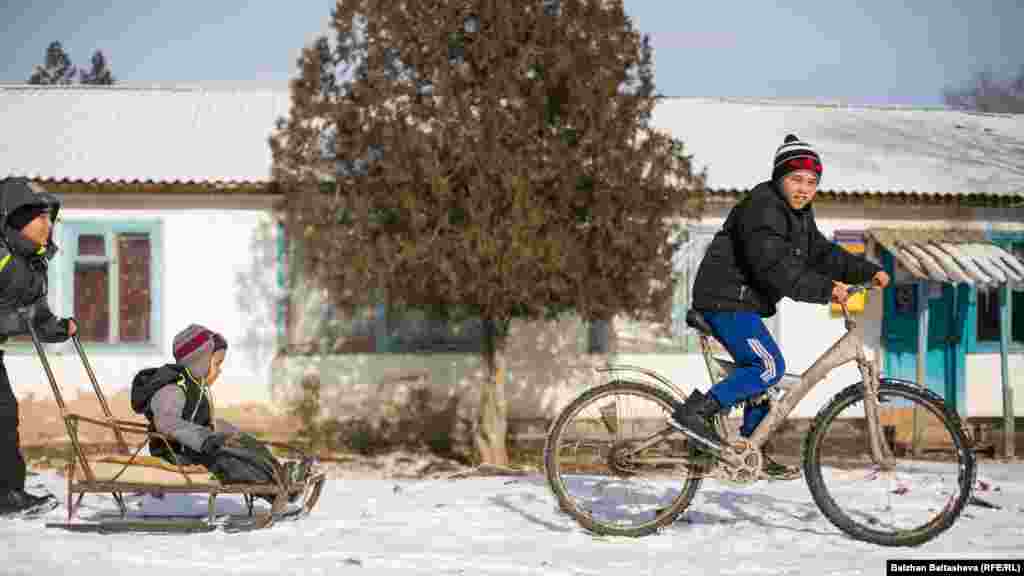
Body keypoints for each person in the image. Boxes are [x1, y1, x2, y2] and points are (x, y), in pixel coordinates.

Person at [671, 135, 890, 480]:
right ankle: (695, 413)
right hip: (724, 299)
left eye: (812, 182)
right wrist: (826, 289)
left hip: (741, 302)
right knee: (769, 365)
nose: (804, 189)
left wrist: (866, 271)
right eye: (796, 179)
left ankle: (750, 447)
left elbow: (822, 254)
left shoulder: (798, 214)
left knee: (764, 378)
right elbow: (775, 267)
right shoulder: (763, 207)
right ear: (779, 178)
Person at [131, 325, 307, 499]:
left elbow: (202, 423)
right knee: (230, 461)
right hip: (175, 454)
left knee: (244, 445)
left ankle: (280, 472)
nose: (220, 370)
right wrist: (206, 438)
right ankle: (275, 490)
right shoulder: (173, 389)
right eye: (216, 363)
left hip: (195, 449)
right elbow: (166, 423)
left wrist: (233, 434)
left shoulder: (195, 387)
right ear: (199, 363)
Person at [0, 177, 78, 516]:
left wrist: (57, 328)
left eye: (49, 216)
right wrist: (13, 321)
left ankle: (7, 493)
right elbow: (16, 317)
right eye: (39, 217)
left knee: (4, 416)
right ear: (14, 218)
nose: (48, 225)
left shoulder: (32, 264)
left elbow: (36, 316)